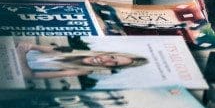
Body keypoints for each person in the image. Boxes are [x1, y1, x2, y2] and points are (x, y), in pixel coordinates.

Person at [15, 42, 149, 81]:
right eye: (112, 57)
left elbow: (30, 76)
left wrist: (20, 55)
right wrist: (25, 48)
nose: (107, 60)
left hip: (15, 68)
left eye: (113, 63)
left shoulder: (79, 71)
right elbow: (30, 46)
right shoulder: (72, 50)